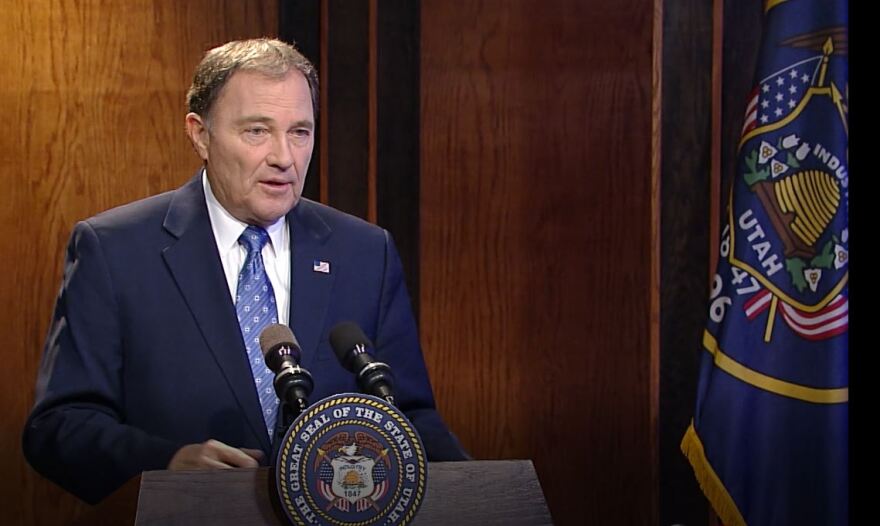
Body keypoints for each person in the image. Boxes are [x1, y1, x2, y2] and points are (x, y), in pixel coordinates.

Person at [22, 38, 467, 505]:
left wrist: (482, 496)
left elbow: (409, 417)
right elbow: (59, 426)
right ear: (200, 134)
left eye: (300, 132)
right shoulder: (115, 250)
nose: (284, 157)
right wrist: (166, 461)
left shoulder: (365, 252)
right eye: (257, 131)